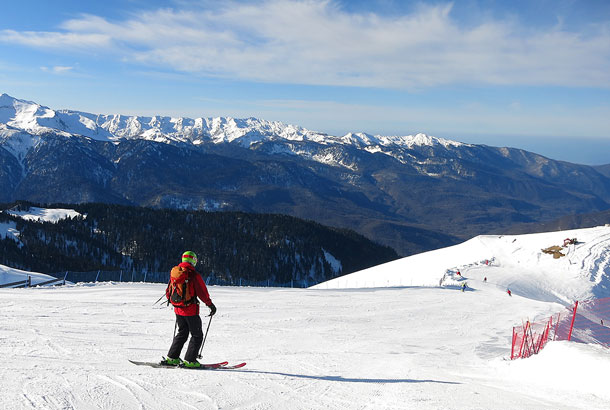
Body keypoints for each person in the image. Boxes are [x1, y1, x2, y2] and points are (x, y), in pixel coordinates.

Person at [163, 251, 216, 368]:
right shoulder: (192, 274)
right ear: (194, 261)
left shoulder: (175, 272)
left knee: (182, 333)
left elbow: (169, 291)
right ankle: (190, 360)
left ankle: (172, 357)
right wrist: (210, 305)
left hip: (178, 309)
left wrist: (174, 302)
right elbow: (202, 292)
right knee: (197, 335)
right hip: (190, 310)